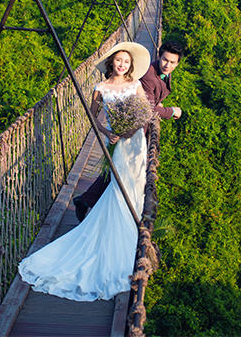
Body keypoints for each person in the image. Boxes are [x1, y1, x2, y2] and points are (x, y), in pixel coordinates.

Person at [18, 42, 152, 301]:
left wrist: (131, 128)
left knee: (137, 184)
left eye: (126, 61)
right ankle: (126, 237)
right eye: (118, 60)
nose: (122, 64)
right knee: (119, 186)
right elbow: (93, 118)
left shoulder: (135, 85)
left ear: (130, 64)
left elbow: (143, 114)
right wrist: (109, 133)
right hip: (120, 145)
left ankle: (136, 229)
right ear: (111, 63)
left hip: (137, 142)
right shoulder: (100, 89)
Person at [73, 40, 184, 221]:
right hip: (122, 134)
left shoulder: (144, 79)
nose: (168, 65)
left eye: (172, 62)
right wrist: (171, 112)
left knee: (128, 176)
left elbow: (147, 104)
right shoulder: (146, 76)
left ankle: (90, 202)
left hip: (137, 135)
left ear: (177, 63)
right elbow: (148, 108)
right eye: (165, 60)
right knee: (120, 175)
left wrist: (156, 104)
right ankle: (111, 214)